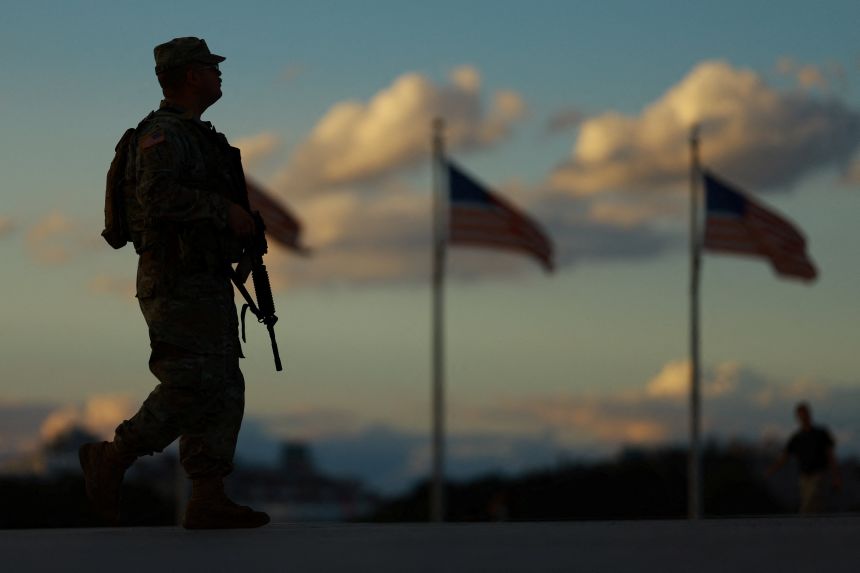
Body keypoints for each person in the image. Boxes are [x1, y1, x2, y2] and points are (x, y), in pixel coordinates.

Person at [79, 37, 269, 529]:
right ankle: (113, 457)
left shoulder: (197, 135)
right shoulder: (163, 135)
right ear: (190, 75)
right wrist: (221, 209)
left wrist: (236, 229)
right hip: (174, 277)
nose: (218, 74)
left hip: (202, 276)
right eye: (210, 67)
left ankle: (208, 495)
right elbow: (158, 196)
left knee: (223, 384)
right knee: (190, 381)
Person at [767, 402, 842, 514]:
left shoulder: (820, 434)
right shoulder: (797, 438)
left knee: (811, 503)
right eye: (800, 415)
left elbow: (831, 456)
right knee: (810, 505)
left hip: (818, 475)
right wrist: (771, 470)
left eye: (805, 414)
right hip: (804, 477)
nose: (803, 418)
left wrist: (836, 477)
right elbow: (785, 457)